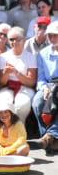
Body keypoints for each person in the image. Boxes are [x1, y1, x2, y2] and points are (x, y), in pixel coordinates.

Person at [0, 26, 36, 123]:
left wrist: (16, 72)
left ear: (24, 40)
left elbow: (31, 82)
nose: (15, 42)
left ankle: (19, 130)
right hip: (7, 87)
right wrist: (6, 73)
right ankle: (2, 130)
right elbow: (2, 82)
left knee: (21, 105)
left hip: (25, 87)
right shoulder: (3, 57)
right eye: (12, 39)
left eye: (18, 39)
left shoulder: (31, 57)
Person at [32, 21, 58, 153]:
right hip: (49, 84)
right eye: (50, 36)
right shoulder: (43, 53)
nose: (52, 38)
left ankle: (50, 137)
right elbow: (41, 77)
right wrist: (44, 88)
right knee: (37, 102)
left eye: (55, 35)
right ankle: (47, 136)